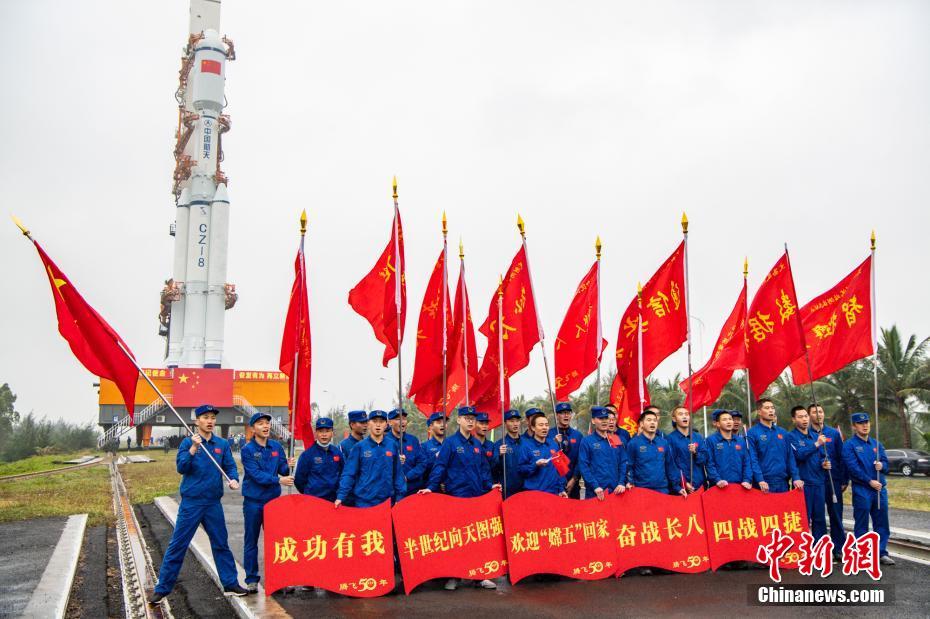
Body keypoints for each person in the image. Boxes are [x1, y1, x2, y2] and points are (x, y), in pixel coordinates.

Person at [149, 404, 246, 604]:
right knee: (178, 545)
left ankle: (230, 584)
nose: (210, 421)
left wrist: (233, 478)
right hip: (192, 503)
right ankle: (162, 589)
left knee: (220, 543)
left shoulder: (222, 444)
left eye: (212, 417)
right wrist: (193, 448)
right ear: (197, 421)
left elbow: (229, 466)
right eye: (205, 417)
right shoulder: (187, 443)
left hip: (213, 503)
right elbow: (181, 468)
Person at [421, 406, 499, 590]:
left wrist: (490, 485)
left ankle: (479, 577)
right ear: (458, 420)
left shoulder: (477, 445)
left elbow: (484, 470)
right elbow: (439, 467)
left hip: (476, 497)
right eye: (466, 418)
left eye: (473, 418)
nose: (470, 421)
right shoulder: (450, 443)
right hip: (456, 497)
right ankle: (453, 576)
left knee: (476, 538)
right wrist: (431, 487)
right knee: (456, 538)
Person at [240, 412, 294, 593]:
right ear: (253, 428)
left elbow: (283, 469)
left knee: (276, 541)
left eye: (267, 423)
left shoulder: (276, 447)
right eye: (261, 423)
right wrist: (278, 480)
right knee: (251, 540)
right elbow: (255, 475)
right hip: (254, 502)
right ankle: (252, 579)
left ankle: (278, 580)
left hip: (273, 501)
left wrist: (289, 464)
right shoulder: (247, 450)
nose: (265, 426)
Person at [842, 412, 894, 565]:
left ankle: (881, 552)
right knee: (862, 522)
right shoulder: (849, 445)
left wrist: (881, 465)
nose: (865, 425)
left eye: (867, 422)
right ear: (854, 426)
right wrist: (869, 481)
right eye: (860, 423)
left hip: (879, 489)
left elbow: (886, 465)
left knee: (882, 522)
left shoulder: (877, 444)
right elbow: (852, 468)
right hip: (862, 489)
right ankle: (863, 553)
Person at [336, 410, 405, 509]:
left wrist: (400, 497)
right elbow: (349, 473)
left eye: (381, 421)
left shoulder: (392, 445)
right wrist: (341, 496)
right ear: (368, 424)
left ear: (386, 424)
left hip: (387, 501)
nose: (378, 425)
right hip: (364, 502)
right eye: (374, 421)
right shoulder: (359, 447)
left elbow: (398, 474)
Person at [809, 403, 848, 555]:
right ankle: (820, 549)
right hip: (815, 480)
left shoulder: (833, 433)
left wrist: (844, 480)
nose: (818, 414)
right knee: (817, 516)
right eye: (814, 412)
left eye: (820, 411)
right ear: (809, 415)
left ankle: (839, 548)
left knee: (836, 514)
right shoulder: (808, 434)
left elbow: (842, 457)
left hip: (833, 480)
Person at [787, 406, 828, 542]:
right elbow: (798, 455)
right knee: (803, 519)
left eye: (806, 416)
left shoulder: (816, 436)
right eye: (800, 417)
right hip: (803, 484)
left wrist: (825, 463)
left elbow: (823, 455)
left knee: (820, 519)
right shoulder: (790, 437)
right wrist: (816, 444)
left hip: (819, 482)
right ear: (794, 419)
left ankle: (819, 551)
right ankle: (803, 552)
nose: (804, 419)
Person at [746, 398, 802, 493]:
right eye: (767, 408)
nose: (771, 410)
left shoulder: (783, 432)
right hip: (763, 484)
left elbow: (790, 457)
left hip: (782, 483)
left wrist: (796, 477)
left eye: (772, 408)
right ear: (759, 412)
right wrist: (760, 479)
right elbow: (753, 459)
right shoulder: (752, 433)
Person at [626, 409, 686, 496]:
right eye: (649, 420)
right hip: (641, 490)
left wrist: (677, 487)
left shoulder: (664, 443)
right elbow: (629, 466)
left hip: (662, 489)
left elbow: (670, 466)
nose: (652, 423)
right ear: (641, 424)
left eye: (655, 420)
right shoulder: (633, 443)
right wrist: (629, 481)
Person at [578, 406, 628, 500]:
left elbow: (623, 462)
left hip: (615, 491)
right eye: (601, 418)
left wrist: (621, 482)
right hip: (595, 492)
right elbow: (583, 466)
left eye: (606, 418)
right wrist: (595, 486)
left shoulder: (616, 439)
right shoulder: (587, 441)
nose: (605, 421)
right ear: (593, 421)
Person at [518, 411, 567, 497]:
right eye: (541, 425)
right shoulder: (525, 446)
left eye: (546, 425)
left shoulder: (554, 445)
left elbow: (561, 469)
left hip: (553, 493)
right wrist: (535, 464)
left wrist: (561, 489)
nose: (544, 428)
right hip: (534, 494)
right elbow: (521, 470)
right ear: (533, 428)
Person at [294, 417, 343, 500]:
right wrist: (309, 493)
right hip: (313, 501)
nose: (324, 434)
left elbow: (343, 474)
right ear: (316, 433)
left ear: (332, 433)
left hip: (333, 501)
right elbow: (299, 480)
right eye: (321, 431)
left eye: (327, 431)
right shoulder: (307, 455)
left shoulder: (337, 453)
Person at [666, 406, 711, 492]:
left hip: (700, 485)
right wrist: (683, 483)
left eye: (686, 414)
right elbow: (671, 465)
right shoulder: (670, 439)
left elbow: (705, 459)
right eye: (680, 414)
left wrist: (695, 452)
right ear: (674, 419)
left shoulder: (698, 437)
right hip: (682, 487)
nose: (684, 416)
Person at [705, 410, 751, 489]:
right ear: (718, 424)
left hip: (740, 486)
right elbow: (709, 464)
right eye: (724, 420)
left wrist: (747, 480)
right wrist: (717, 480)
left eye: (730, 419)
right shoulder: (711, 440)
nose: (728, 422)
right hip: (719, 486)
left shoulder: (740, 441)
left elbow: (746, 463)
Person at [549, 402, 583, 499]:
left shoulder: (578, 435)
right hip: (554, 484)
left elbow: (581, 460)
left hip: (574, 483)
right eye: (562, 413)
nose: (566, 415)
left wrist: (574, 479)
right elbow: (547, 457)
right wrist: (554, 444)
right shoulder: (549, 435)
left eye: (568, 413)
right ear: (557, 415)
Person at [387, 408, 425, 495]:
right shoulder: (384, 441)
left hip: (413, 489)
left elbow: (422, 463)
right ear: (390, 422)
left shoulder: (413, 440)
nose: (402, 422)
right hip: (392, 491)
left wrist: (407, 477)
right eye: (398, 419)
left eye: (404, 418)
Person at [493, 409, 524, 498]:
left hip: (526, 489)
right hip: (507, 491)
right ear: (505, 423)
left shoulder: (527, 442)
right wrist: (499, 455)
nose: (515, 424)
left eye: (517, 421)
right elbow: (493, 468)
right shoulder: (499, 444)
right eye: (511, 421)